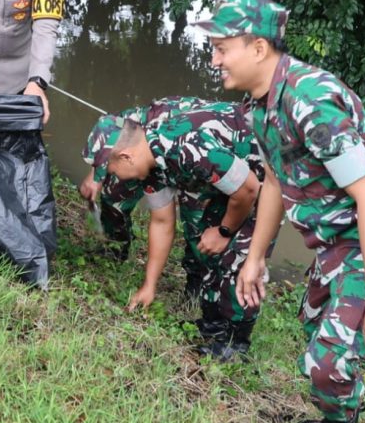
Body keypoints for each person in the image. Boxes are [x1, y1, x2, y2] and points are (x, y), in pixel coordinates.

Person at [197, 0, 365, 423]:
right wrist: (255, 258)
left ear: (258, 48)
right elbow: (274, 181)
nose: (215, 59)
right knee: (313, 326)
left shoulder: (311, 101)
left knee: (328, 356)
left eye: (222, 48)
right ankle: (337, 409)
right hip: (336, 238)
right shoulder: (259, 105)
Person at [99, 100, 268, 361]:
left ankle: (236, 344)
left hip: (264, 180)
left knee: (240, 258)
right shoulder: (151, 162)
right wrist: (149, 285)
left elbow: (248, 189)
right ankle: (213, 326)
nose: (118, 178)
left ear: (126, 157)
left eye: (114, 171)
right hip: (232, 178)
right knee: (206, 245)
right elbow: (162, 222)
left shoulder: (187, 149)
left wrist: (224, 231)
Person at [79, 97, 204, 285]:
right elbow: (111, 138)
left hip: (193, 164)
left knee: (198, 224)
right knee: (113, 193)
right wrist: (96, 175)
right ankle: (114, 249)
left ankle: (199, 280)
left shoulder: (187, 140)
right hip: (143, 154)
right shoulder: (128, 121)